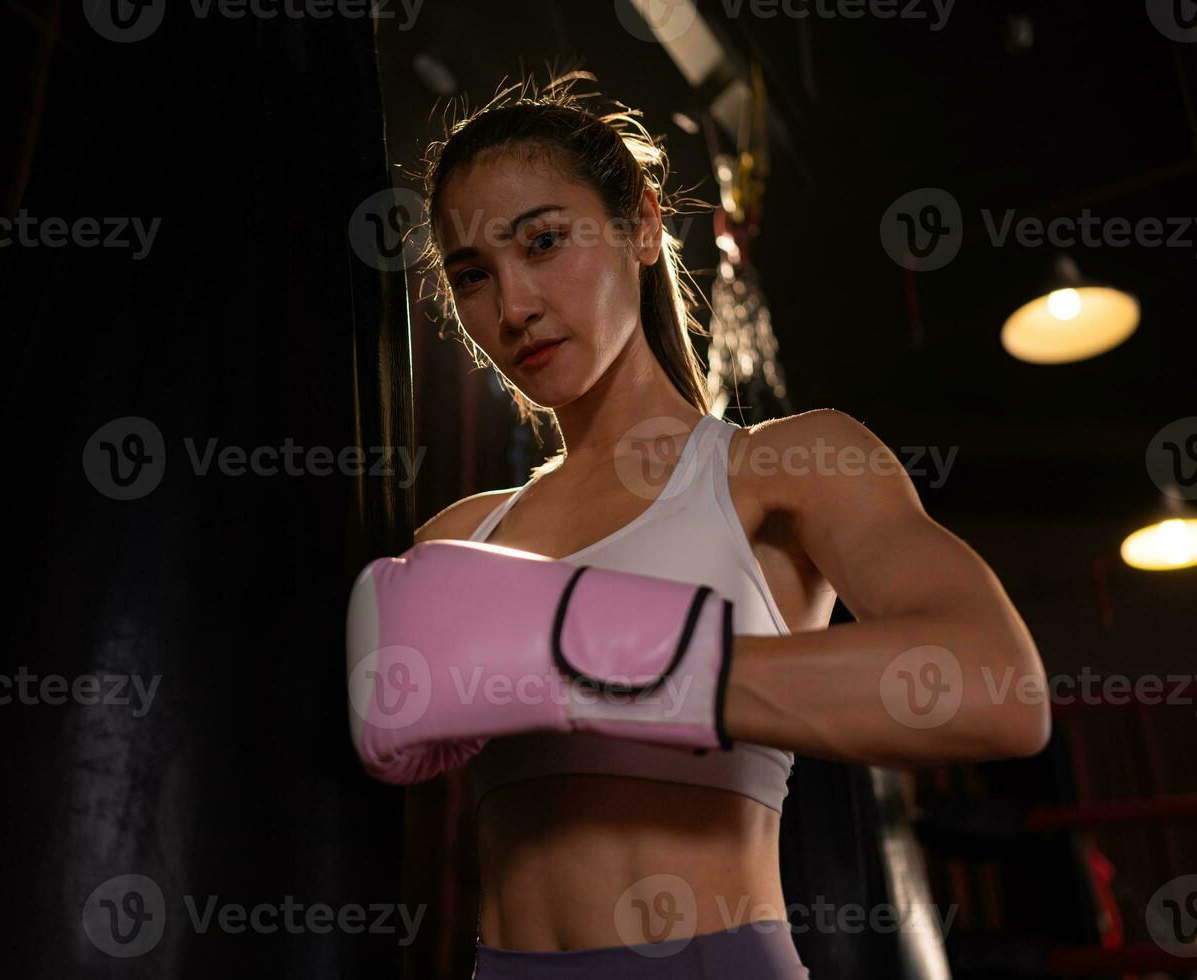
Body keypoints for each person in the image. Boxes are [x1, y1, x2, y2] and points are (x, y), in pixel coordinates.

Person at [392, 72, 1050, 979]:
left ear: (643, 224)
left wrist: (601, 658)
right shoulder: (457, 541)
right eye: (473, 276)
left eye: (543, 242)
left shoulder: (782, 468)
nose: (512, 309)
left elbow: (996, 689)